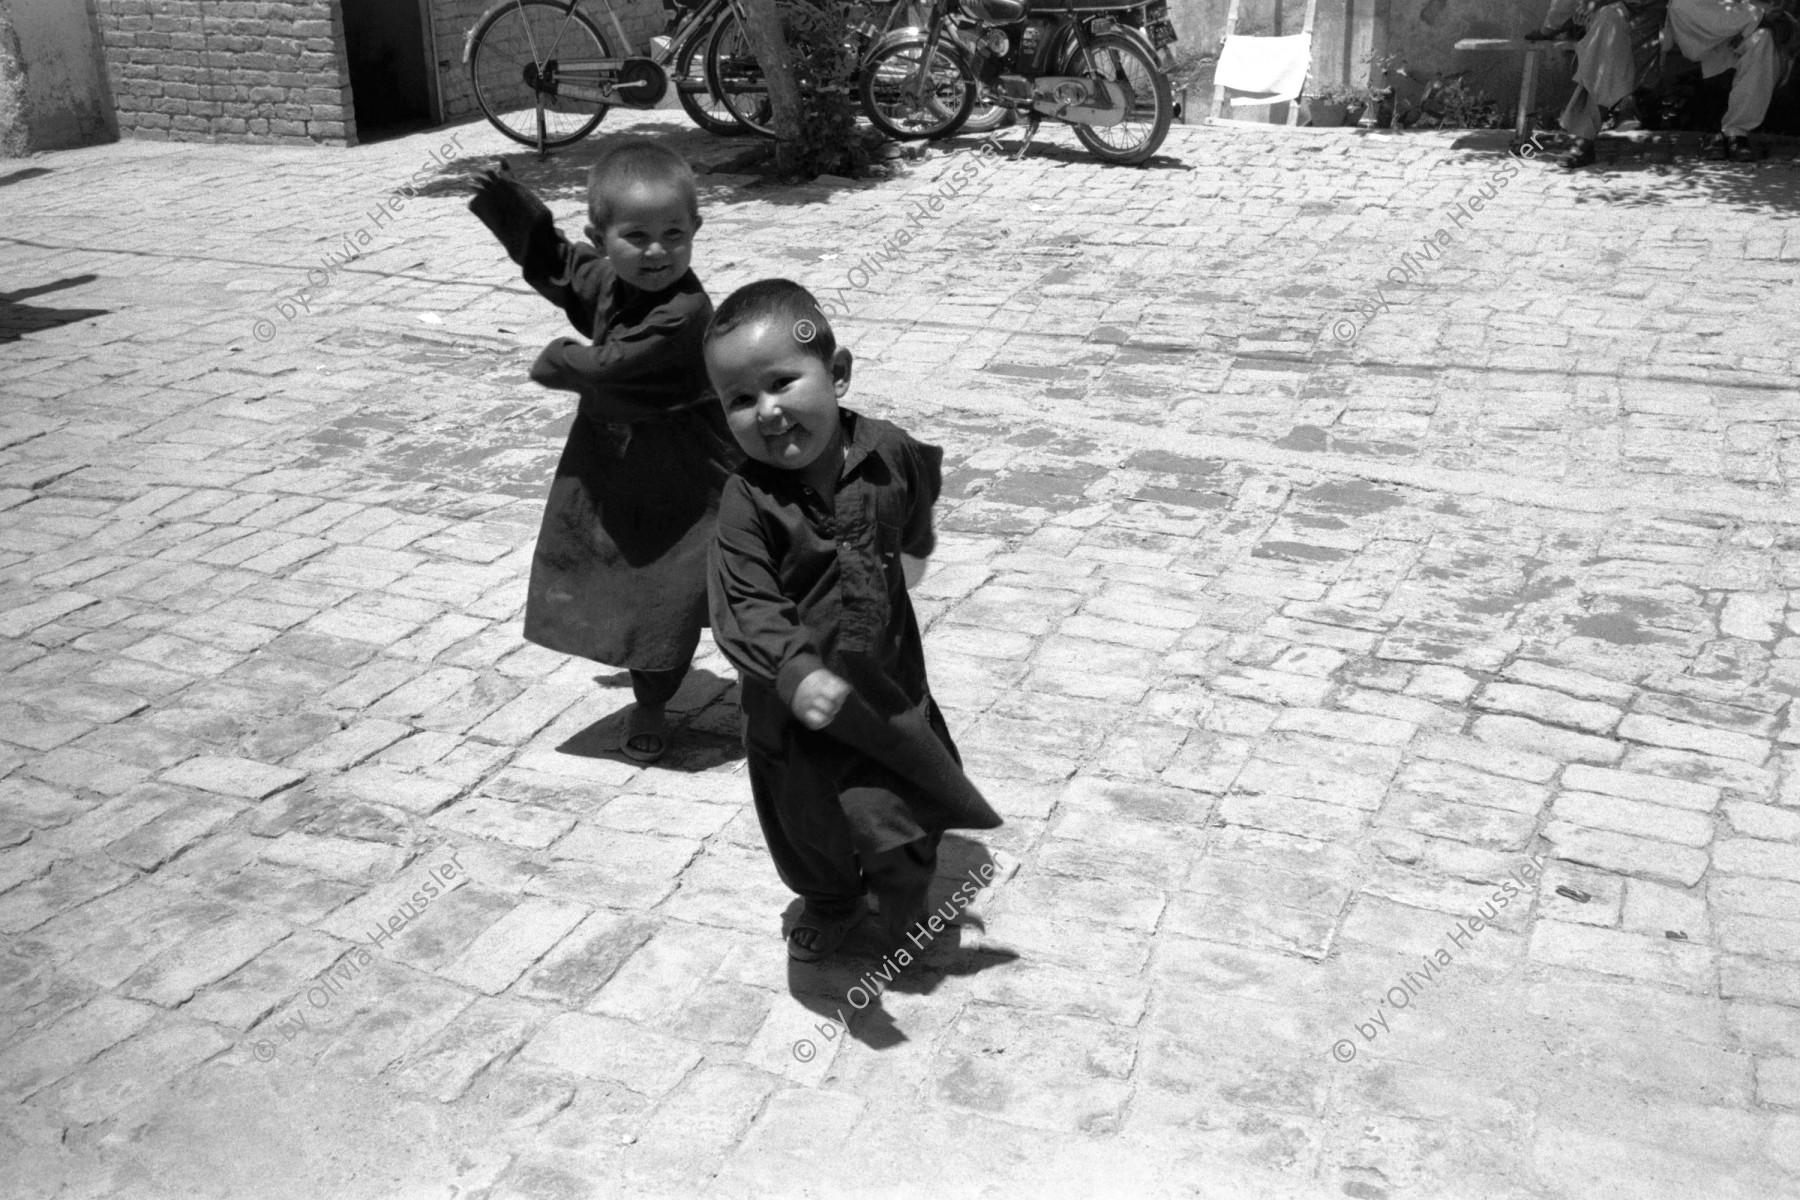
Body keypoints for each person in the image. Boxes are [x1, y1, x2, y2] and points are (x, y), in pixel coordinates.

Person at [703, 280, 1000, 963]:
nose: (767, 412)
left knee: (898, 826)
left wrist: (916, 542)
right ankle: (831, 900)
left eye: (782, 383)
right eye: (741, 400)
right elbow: (743, 601)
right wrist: (794, 668)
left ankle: (902, 907)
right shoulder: (746, 501)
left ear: (836, 374)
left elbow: (920, 480)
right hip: (797, 715)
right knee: (810, 833)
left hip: (887, 696)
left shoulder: (885, 451)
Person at [469, 139, 738, 763]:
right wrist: (508, 201)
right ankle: (651, 697)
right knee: (623, 579)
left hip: (688, 471)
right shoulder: (612, 283)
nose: (656, 251)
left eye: (674, 234)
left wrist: (559, 358)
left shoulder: (685, 312)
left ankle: (776, 685)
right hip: (614, 467)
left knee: (679, 583)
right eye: (636, 236)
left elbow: (615, 365)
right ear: (603, 236)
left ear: (696, 230)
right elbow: (558, 264)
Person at [1662, 0, 1795, 161]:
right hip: (1706, 31)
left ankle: (1736, 133)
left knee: (1763, 39)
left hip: (1749, 29)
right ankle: (1754, 18)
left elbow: (1780, 17)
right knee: (1680, 5)